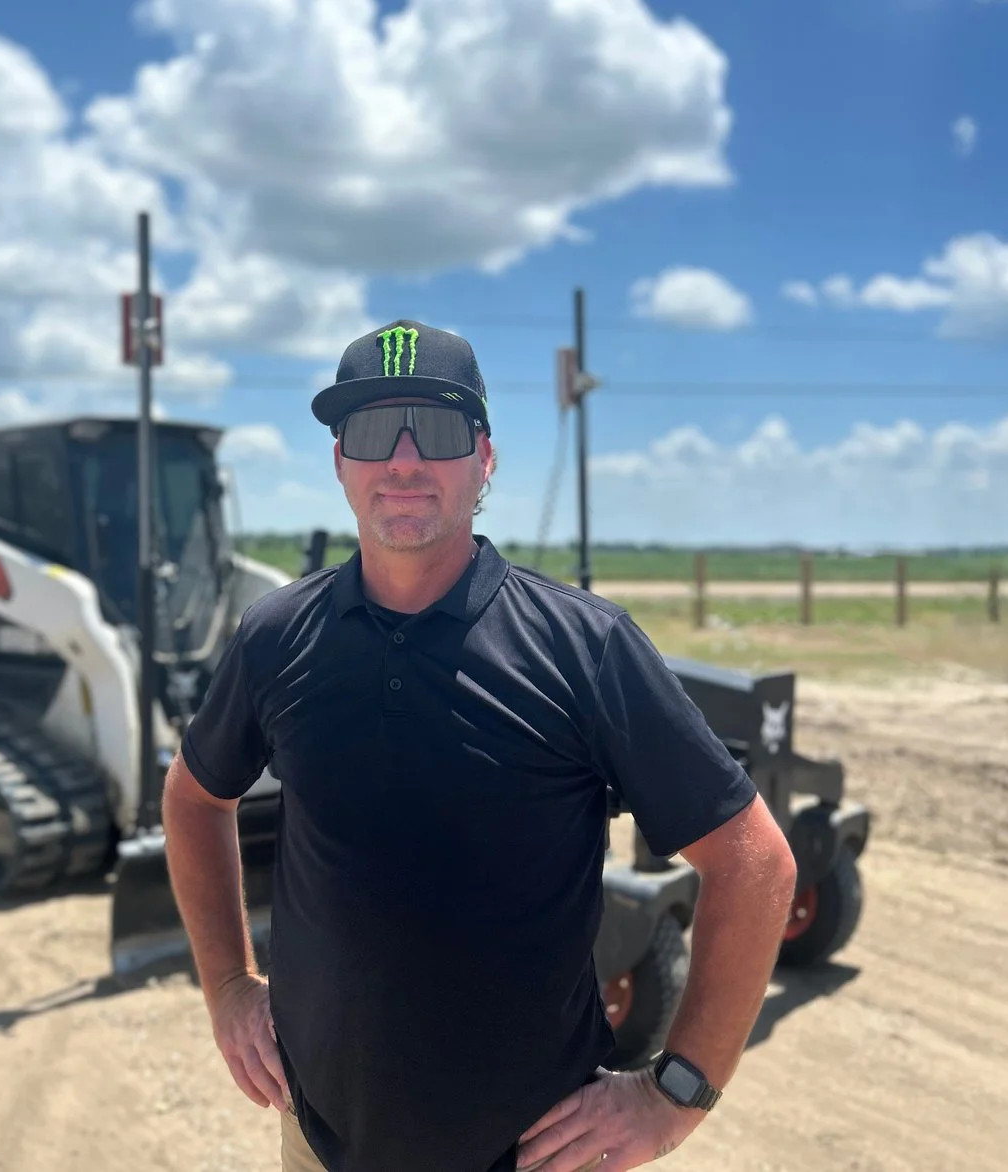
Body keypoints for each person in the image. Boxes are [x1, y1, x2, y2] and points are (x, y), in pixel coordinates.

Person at [161, 319, 799, 1172]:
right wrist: (231, 988)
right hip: (319, 1147)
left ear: (486, 459)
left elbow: (756, 864)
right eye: (372, 429)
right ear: (340, 461)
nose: (405, 459)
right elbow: (196, 797)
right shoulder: (277, 638)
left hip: (531, 1155)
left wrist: (673, 1095)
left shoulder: (585, 648)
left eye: (441, 429)